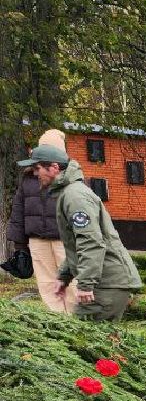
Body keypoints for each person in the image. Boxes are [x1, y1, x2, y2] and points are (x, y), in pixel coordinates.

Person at [17, 141, 141, 321]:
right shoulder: (68, 194)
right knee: (91, 342)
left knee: (84, 344)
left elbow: (91, 243)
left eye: (37, 169)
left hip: (106, 285)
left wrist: (85, 284)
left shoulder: (75, 197)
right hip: (105, 284)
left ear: (54, 167)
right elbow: (76, 245)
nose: (35, 174)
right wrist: (65, 276)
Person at [6, 129, 70, 313]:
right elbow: (18, 210)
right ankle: (57, 318)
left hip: (63, 240)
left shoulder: (72, 177)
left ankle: (76, 319)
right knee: (47, 283)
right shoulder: (28, 177)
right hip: (37, 240)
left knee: (71, 280)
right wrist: (20, 246)